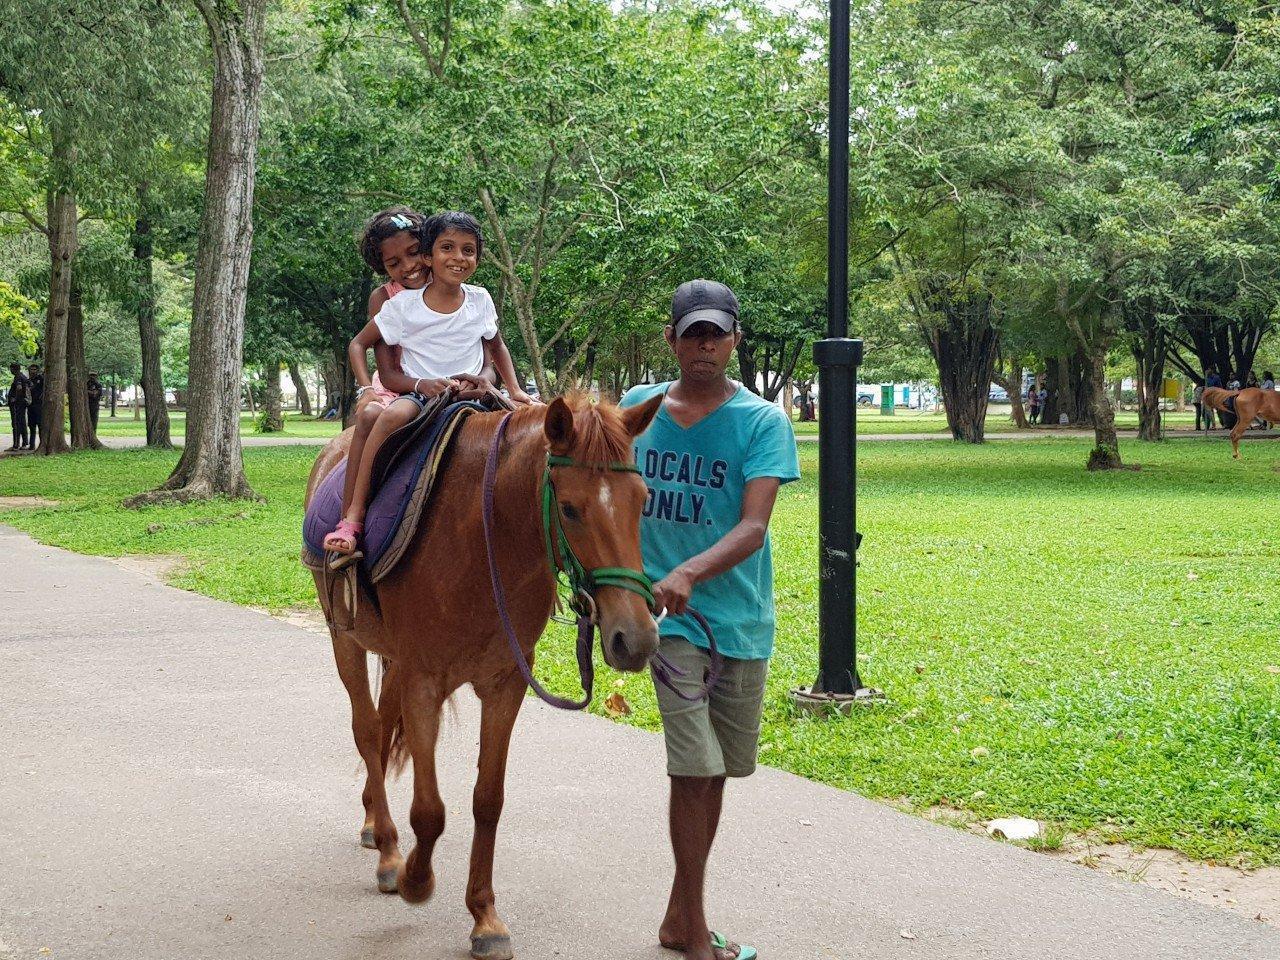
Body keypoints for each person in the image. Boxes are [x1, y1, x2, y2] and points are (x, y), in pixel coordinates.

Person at [621, 279, 799, 960]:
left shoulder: (762, 422)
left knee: (718, 769)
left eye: (715, 334)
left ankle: (678, 914)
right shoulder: (637, 408)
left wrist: (691, 571)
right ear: (670, 339)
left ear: (734, 340)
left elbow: (753, 526)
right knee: (692, 769)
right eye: (691, 333)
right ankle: (694, 934)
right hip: (668, 624)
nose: (704, 345)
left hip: (739, 619)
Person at [324, 210, 533, 554]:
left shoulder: (478, 298)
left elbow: (492, 349)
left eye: (467, 251)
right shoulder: (397, 303)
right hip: (413, 387)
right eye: (446, 248)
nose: (408, 266)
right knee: (376, 416)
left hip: (472, 390)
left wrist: (506, 388)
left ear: (423, 251)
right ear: (432, 254)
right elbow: (382, 365)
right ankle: (352, 516)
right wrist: (376, 390)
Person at [6, 362, 30, 451]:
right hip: (21, 404)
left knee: (16, 424)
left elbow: (19, 389)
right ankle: (24, 443)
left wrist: (15, 399)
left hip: (17, 405)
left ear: (13, 369)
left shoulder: (18, 377)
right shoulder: (22, 376)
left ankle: (16, 445)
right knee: (22, 423)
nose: (10, 370)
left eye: (11, 369)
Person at [25, 363, 42, 449]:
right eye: (31, 369)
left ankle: (42, 444)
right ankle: (32, 445)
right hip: (30, 406)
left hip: (39, 406)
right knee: (32, 426)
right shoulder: (27, 381)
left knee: (40, 425)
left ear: (37, 370)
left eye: (35, 369)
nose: (33, 371)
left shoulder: (41, 379)